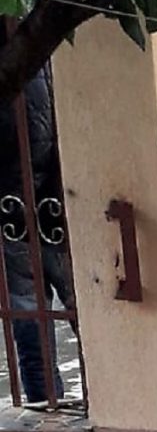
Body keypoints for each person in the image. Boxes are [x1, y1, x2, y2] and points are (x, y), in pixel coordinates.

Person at [0, 49, 77, 404]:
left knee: (30, 317)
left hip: (14, 213)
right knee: (83, 309)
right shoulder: (47, 52)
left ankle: (47, 409)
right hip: (59, 206)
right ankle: (112, 404)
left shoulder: (17, 65)